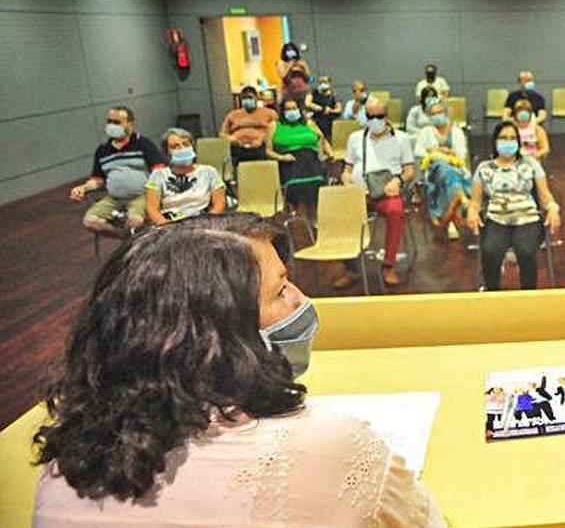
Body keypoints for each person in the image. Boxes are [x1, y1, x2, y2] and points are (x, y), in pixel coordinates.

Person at [32, 214, 446, 526]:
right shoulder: (329, 444)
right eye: (282, 291)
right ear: (219, 334)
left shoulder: (61, 473)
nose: (302, 299)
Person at [467, 122, 563, 291]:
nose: (508, 141)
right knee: (490, 250)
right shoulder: (484, 168)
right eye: (503, 138)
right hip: (496, 219)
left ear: (518, 142)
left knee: (525, 250)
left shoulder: (531, 164)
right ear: (495, 141)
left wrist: (553, 207)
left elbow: (545, 194)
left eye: (512, 138)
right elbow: (475, 202)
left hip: (528, 219)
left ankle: (528, 295)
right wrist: (472, 212)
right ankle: (492, 293)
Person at [337, 97, 415, 288]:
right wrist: (346, 180)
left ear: (386, 116)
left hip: (387, 192)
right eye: (370, 116)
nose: (375, 120)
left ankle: (388, 265)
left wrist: (398, 181)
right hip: (359, 193)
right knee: (338, 214)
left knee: (395, 212)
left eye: (379, 116)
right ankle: (351, 268)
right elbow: (347, 169)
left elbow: (410, 170)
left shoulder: (402, 138)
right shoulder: (355, 138)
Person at [70, 107, 167, 237]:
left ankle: (130, 239)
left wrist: (154, 192)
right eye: (109, 122)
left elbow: (159, 170)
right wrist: (83, 188)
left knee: (135, 221)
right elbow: (97, 180)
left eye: (117, 122)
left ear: (130, 124)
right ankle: (127, 239)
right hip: (114, 199)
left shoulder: (143, 143)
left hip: (141, 196)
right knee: (90, 221)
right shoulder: (102, 150)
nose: (111, 126)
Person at [413, 100, 471, 239]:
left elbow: (461, 154)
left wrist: (436, 151)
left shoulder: (456, 131)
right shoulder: (425, 132)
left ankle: (451, 221)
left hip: (456, 168)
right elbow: (419, 153)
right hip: (433, 170)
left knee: (448, 173)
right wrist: (443, 152)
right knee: (442, 167)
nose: (437, 116)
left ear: (446, 113)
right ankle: (461, 200)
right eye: (433, 114)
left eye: (440, 112)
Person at [145, 128, 227, 226]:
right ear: (167, 153)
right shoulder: (158, 175)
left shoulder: (209, 172)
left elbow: (220, 204)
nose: (182, 148)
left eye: (186, 144)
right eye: (175, 147)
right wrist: (166, 226)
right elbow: (152, 209)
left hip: (204, 223)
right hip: (170, 225)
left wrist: (207, 223)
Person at [266, 98, 332, 214]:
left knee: (316, 185)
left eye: (294, 108)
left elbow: (322, 139)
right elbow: (268, 151)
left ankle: (315, 220)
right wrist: (282, 157)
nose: (291, 111)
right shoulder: (274, 126)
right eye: (288, 109)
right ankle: (301, 221)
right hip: (289, 162)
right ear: (282, 111)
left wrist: (329, 153)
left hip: (311, 159)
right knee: (298, 189)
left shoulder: (309, 123)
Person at [220, 86, 278, 165]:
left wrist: (263, 139)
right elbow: (222, 134)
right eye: (244, 98)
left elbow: (276, 130)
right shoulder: (233, 115)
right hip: (239, 147)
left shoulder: (269, 113)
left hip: (261, 147)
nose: (247, 100)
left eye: (250, 97)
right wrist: (232, 139)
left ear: (257, 97)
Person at [305, 74, 342, 140]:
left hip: (328, 122)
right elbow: (307, 103)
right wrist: (317, 107)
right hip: (315, 121)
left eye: (324, 82)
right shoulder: (314, 93)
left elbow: (339, 109)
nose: (322, 84)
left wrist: (330, 110)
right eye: (320, 82)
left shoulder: (333, 96)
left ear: (329, 83)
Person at [275, 42, 311, 106]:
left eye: (292, 50)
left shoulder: (301, 62)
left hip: (303, 91)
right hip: (289, 93)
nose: (291, 52)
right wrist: (290, 65)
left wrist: (303, 68)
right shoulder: (281, 63)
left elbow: (308, 78)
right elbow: (283, 75)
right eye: (288, 50)